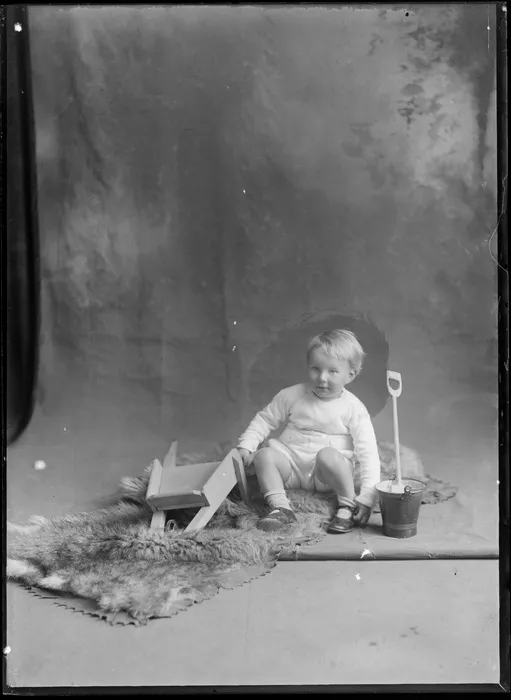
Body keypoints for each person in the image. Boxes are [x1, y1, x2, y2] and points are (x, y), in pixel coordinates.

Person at [237, 329, 381, 533]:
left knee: (328, 455)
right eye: (316, 369)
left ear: (350, 374)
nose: (322, 378)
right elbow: (265, 419)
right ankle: (281, 508)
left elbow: (368, 453)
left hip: (326, 475)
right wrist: (247, 444)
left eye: (332, 371)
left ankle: (347, 505)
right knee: (264, 456)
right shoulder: (292, 395)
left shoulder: (353, 407)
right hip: (292, 466)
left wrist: (367, 497)